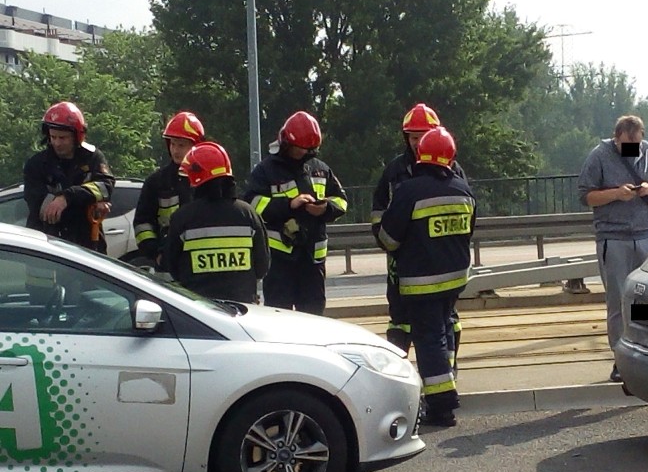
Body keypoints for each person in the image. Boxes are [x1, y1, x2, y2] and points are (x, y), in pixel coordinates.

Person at [378, 127, 475, 427]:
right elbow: (468, 232)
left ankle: (442, 405)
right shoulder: (463, 188)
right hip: (456, 278)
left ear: (421, 156)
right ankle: (448, 383)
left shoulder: (409, 190)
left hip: (422, 281)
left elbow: (389, 238)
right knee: (445, 331)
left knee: (429, 339)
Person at [577, 114, 648, 382]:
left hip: (646, 235)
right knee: (619, 300)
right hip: (613, 237)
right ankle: (621, 360)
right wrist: (615, 194)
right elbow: (586, 196)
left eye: (636, 145)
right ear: (616, 138)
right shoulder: (599, 155)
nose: (632, 151)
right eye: (626, 146)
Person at [371, 103, 466, 371]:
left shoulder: (454, 170)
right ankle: (398, 375)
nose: (419, 143)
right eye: (414, 137)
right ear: (406, 138)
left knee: (446, 321)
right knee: (400, 318)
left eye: (424, 137)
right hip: (403, 260)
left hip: (440, 261)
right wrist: (385, 241)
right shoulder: (394, 171)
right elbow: (379, 211)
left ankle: (446, 376)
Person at [244, 111, 347, 315]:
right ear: (286, 144)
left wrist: (325, 208)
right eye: (299, 149)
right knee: (279, 318)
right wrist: (289, 205)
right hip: (280, 263)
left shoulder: (321, 169)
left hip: (313, 261)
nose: (304, 154)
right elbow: (251, 204)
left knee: (314, 319)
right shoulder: (266, 171)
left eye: (308, 150)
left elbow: (342, 201)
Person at [163, 142, 270, 302]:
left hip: (198, 310)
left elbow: (171, 265)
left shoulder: (182, 217)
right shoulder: (248, 214)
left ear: (197, 178)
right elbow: (262, 265)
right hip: (243, 308)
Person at [24, 101, 115, 252]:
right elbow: (38, 205)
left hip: (88, 243)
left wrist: (67, 197)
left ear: (77, 136)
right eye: (53, 137)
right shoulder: (36, 165)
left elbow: (105, 186)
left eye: (63, 138)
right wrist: (89, 202)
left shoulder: (92, 158)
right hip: (45, 246)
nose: (57, 143)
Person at [134, 111, 205, 268]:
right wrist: (155, 253)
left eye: (181, 145)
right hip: (168, 264)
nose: (175, 150)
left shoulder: (207, 179)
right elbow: (142, 224)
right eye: (172, 144)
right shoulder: (157, 181)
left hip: (201, 261)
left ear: (196, 146)